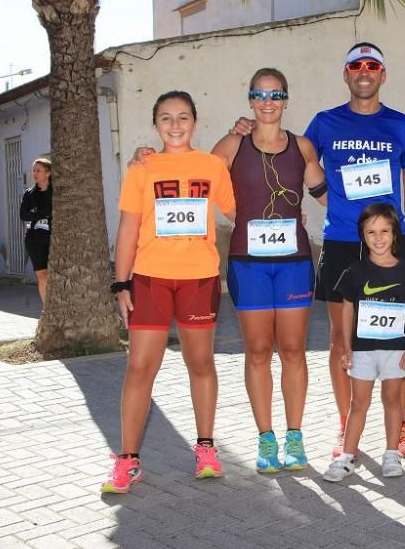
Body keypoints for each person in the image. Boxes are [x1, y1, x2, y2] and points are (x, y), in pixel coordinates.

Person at [283, 42, 405, 457]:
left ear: (383, 74)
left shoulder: (401, 125)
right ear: (345, 74)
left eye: (372, 65)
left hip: (388, 246)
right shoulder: (325, 123)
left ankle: (397, 428)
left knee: (392, 337)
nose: (364, 71)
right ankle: (348, 427)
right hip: (343, 240)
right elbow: (298, 159)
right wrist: (320, 197)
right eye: (356, 65)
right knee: (342, 340)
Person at [102, 91, 236, 494]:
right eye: (166, 118)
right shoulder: (142, 169)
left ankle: (207, 449)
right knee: (140, 369)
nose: (174, 125)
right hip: (149, 279)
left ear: (195, 121)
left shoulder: (212, 166)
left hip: (199, 279)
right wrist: (120, 282)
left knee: (201, 363)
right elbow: (127, 229)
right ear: (155, 124)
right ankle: (127, 460)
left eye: (182, 117)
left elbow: (237, 211)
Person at [211, 68, 326, 473]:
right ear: (249, 100)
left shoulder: (303, 147)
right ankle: (266, 438)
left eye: (275, 94)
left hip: (294, 264)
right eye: (259, 94)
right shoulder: (232, 144)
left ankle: (295, 437)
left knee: (294, 351)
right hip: (248, 265)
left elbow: (326, 196)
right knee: (258, 352)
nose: (267, 101)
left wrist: (375, 196)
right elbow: (196, 178)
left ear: (286, 99)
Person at [322, 203, 405, 481]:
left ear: (395, 235)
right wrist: (345, 347)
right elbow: (347, 310)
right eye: (371, 232)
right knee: (358, 403)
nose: (378, 238)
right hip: (363, 352)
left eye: (384, 231)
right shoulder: (355, 271)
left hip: (396, 352)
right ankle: (346, 457)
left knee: (393, 402)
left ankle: (392, 454)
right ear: (363, 236)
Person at [20, 158, 52, 304]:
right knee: (42, 274)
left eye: (38, 170)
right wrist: (44, 213)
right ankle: (46, 309)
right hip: (35, 240)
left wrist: (37, 213)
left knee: (54, 274)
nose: (34, 173)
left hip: (54, 238)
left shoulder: (56, 192)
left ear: (48, 173)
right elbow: (23, 215)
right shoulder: (29, 193)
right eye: (34, 170)